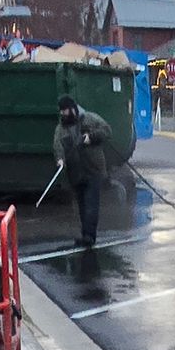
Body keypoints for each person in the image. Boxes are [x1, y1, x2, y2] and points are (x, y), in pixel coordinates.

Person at [54, 93, 112, 248]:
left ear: (72, 109)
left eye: (65, 110)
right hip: (76, 173)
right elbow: (58, 145)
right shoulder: (61, 129)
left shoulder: (90, 119)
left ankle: (89, 236)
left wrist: (91, 137)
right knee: (82, 206)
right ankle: (85, 234)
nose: (62, 114)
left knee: (91, 204)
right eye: (61, 111)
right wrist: (60, 159)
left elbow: (107, 130)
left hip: (93, 170)